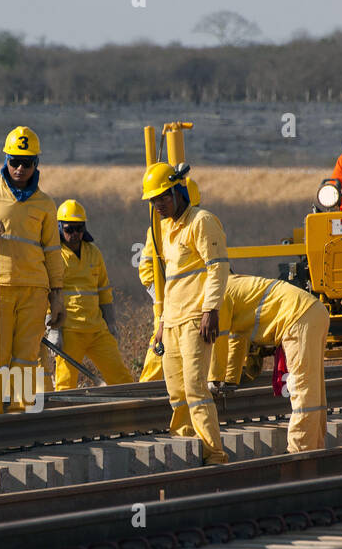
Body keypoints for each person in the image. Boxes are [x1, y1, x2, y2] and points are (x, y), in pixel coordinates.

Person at [0, 125, 65, 415]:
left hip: (34, 290)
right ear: (5, 160)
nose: (19, 168)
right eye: (14, 161)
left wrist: (57, 295)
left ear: (36, 164)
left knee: (26, 360)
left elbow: (53, 252)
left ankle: (19, 422)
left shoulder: (45, 204)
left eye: (26, 163)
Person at [142, 161, 230, 465]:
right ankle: (186, 451)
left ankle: (213, 455)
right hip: (173, 322)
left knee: (195, 389)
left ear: (179, 191)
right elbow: (170, 281)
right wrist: (161, 323)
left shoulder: (202, 221)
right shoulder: (164, 229)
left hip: (195, 319)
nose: (159, 206)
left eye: (163, 198)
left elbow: (217, 267)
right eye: (154, 201)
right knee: (177, 393)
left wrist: (211, 309)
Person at [210, 275, 330, 452]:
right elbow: (236, 338)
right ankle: (315, 445)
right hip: (312, 312)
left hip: (298, 317)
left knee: (301, 386)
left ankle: (300, 450)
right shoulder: (230, 286)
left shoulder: (217, 293)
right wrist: (229, 378)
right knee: (313, 388)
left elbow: (219, 338)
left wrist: (214, 378)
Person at [53, 199, 133, 389]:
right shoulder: (54, 255)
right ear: (59, 228)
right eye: (69, 229)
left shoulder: (93, 253)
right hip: (70, 331)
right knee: (65, 384)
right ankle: (63, 418)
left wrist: (111, 323)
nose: (74, 234)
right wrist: (53, 328)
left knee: (122, 379)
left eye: (79, 229)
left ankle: (131, 416)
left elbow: (104, 290)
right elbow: (49, 293)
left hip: (97, 330)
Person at [138, 177, 201, 384]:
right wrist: (162, 296)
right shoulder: (158, 230)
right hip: (168, 305)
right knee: (160, 350)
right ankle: (145, 396)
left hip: (195, 304)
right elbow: (147, 269)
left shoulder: (198, 223)